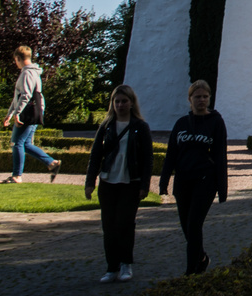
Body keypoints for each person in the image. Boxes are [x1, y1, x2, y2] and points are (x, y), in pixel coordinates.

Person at [84, 85, 154, 284]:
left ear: (131, 103)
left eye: (124, 101)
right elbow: (96, 154)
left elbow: (147, 158)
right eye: (117, 101)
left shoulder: (140, 126)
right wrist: (90, 182)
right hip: (108, 182)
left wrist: (144, 185)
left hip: (130, 183)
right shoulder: (106, 125)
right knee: (109, 226)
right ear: (112, 104)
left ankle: (125, 264)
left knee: (124, 224)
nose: (121, 105)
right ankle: (111, 267)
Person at [160, 80, 228, 275]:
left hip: (205, 180)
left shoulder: (216, 122)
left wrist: (222, 189)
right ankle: (202, 257)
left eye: (205, 97)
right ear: (190, 99)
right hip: (183, 180)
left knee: (194, 224)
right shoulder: (181, 123)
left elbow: (220, 155)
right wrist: (164, 181)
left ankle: (191, 271)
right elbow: (171, 153)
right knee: (186, 227)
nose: (202, 100)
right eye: (197, 97)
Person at [1, 45, 60, 183]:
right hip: (35, 110)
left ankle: (17, 176)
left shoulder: (27, 73)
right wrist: (10, 113)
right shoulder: (33, 72)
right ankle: (52, 163)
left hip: (27, 111)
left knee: (17, 143)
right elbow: (19, 96)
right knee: (26, 144)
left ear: (18, 58)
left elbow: (25, 95)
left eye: (15, 60)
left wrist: (17, 113)